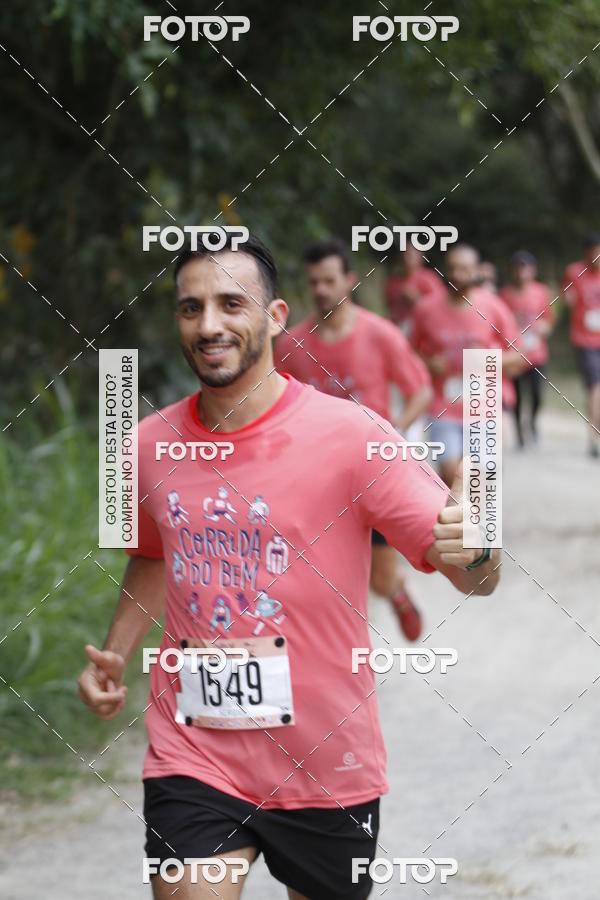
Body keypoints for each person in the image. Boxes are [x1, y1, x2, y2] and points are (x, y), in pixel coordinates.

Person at [78, 233, 500, 900]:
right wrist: (114, 652)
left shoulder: (354, 436)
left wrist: (480, 547)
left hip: (327, 761)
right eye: (191, 309)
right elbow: (154, 555)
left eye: (230, 304)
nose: (209, 325)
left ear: (275, 319)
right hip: (195, 752)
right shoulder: (146, 444)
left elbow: (477, 579)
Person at [274, 238, 433, 641]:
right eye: (314, 282)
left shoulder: (380, 334)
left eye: (329, 280)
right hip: (311, 481)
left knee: (379, 579)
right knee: (320, 579)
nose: (321, 289)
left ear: (349, 280)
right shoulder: (290, 345)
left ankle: (395, 592)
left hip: (372, 475)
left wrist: (392, 429)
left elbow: (420, 389)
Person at [411, 244, 523, 485]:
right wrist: (428, 363)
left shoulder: (493, 307)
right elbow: (408, 353)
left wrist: (485, 360)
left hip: (484, 406)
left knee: (479, 478)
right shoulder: (426, 308)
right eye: (452, 268)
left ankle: (471, 519)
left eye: (463, 269)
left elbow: (519, 356)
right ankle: (462, 518)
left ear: (476, 272)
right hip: (443, 406)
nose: (457, 275)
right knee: (450, 474)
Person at [499, 251, 554, 447]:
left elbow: (549, 318)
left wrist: (544, 328)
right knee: (517, 396)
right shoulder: (505, 294)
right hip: (515, 355)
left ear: (532, 270)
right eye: (517, 267)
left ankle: (532, 422)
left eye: (525, 267)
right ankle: (520, 432)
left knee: (537, 394)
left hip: (537, 353)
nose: (521, 272)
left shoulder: (541, 291)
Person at [562, 234, 600, 457]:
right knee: (596, 388)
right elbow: (567, 298)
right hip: (584, 340)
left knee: (594, 392)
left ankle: (593, 436)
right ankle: (595, 438)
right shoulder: (575, 271)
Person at [383, 242, 445, 337]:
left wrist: (418, 299)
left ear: (420, 257)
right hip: (398, 330)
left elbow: (441, 306)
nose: (406, 258)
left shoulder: (429, 279)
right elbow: (389, 308)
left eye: (411, 255)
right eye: (404, 254)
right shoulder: (393, 282)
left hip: (423, 330)